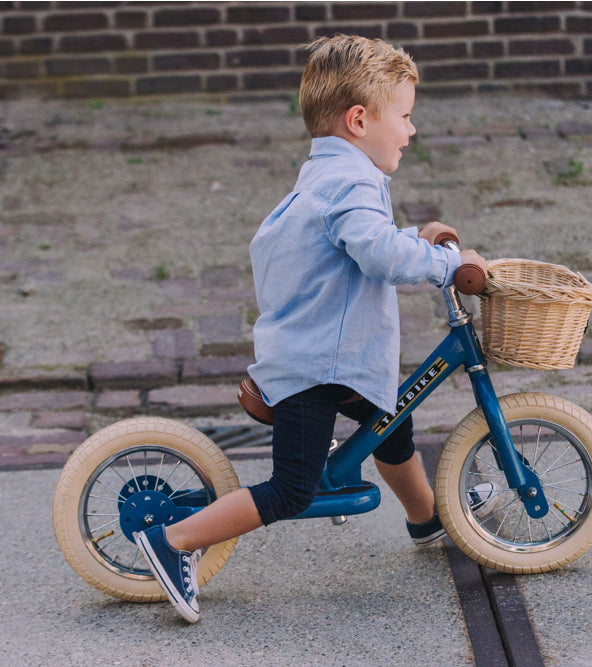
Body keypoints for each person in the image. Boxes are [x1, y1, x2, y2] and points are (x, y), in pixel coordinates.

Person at [135, 34, 488, 624]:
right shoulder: (349, 183)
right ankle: (172, 544)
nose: (411, 129)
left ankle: (428, 518)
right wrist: (449, 265)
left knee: (392, 426)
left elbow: (365, 241)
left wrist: (415, 241)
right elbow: (375, 253)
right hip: (317, 366)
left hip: (329, 356)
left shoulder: (334, 175)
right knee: (292, 491)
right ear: (359, 120)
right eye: (404, 116)